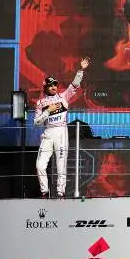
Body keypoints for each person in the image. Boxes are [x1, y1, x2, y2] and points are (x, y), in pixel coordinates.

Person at [35, 58, 90, 199]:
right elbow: (36, 122)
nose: (54, 87)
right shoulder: (40, 103)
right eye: (51, 85)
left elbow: (74, 85)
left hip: (61, 132)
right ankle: (44, 192)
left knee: (61, 165)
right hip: (47, 133)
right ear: (45, 87)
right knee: (40, 165)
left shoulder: (63, 97)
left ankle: (60, 192)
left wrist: (81, 70)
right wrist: (48, 111)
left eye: (55, 85)